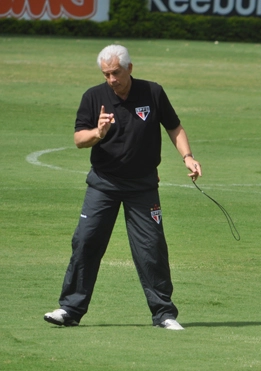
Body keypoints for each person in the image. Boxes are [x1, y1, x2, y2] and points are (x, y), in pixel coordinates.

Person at [43, 44, 202, 330]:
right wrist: (98, 133)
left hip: (142, 186)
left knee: (151, 248)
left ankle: (164, 314)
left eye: (116, 72)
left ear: (129, 68)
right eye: (106, 74)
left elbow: (174, 127)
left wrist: (187, 157)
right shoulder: (93, 97)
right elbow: (80, 139)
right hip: (103, 184)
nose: (111, 79)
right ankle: (70, 309)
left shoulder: (153, 92)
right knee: (86, 242)